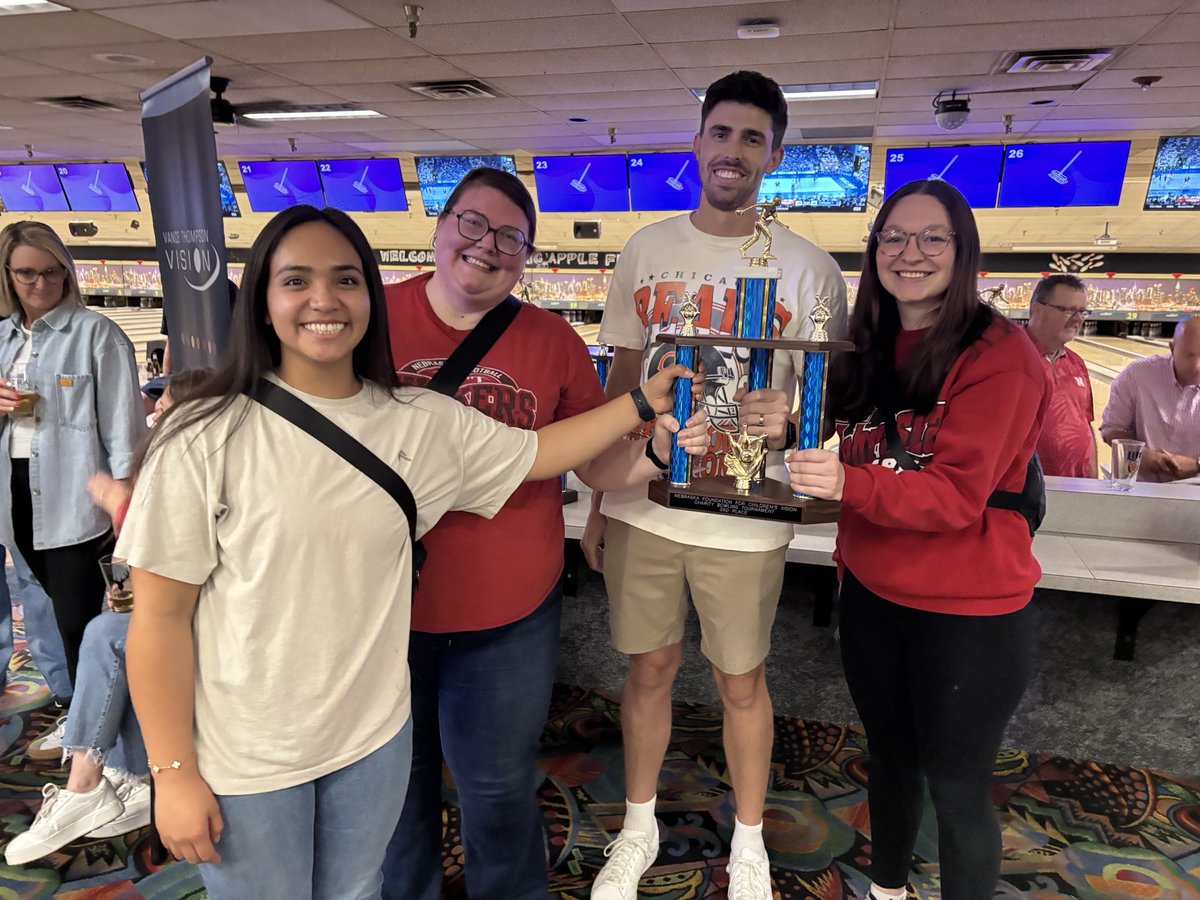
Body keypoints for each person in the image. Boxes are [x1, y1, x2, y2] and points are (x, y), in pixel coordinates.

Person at [114, 205, 696, 900]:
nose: (324, 300)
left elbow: (541, 452)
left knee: (359, 890)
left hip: (371, 740)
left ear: (370, 298)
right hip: (250, 752)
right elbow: (156, 619)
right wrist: (173, 771)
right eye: (296, 280)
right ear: (263, 303)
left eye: (346, 280)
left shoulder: (417, 422)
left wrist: (640, 400)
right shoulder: (204, 434)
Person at [381, 168, 705, 900]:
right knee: (397, 789)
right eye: (472, 223)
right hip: (382, 606)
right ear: (439, 226)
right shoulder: (371, 316)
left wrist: (657, 451)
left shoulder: (553, 339)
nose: (486, 246)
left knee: (495, 789)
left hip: (507, 615)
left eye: (510, 238)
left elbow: (596, 461)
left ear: (526, 256)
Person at [584, 70, 848, 900]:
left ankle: (749, 840)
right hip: (646, 506)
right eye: (721, 133)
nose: (732, 152)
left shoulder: (810, 271)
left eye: (752, 139)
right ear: (698, 141)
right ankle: (637, 828)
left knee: (742, 681)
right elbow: (620, 394)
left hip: (746, 515)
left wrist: (790, 415)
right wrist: (598, 501)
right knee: (650, 671)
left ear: (774, 154)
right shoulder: (645, 250)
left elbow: (823, 407)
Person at [787, 179, 1050, 899]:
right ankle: (887, 891)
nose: (911, 253)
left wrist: (845, 483)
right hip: (874, 596)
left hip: (971, 614)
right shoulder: (866, 342)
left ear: (962, 251)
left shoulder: (1002, 355)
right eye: (894, 237)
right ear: (874, 251)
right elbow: (837, 436)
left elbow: (957, 497)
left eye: (933, 237)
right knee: (890, 761)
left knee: (959, 789)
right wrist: (779, 422)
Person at [3, 368, 211, 866]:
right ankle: (120, 772)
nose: (154, 414)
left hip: (222, 620)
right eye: (157, 405)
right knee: (117, 635)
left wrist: (121, 508)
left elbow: (180, 548)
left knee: (106, 634)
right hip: (184, 610)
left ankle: (89, 782)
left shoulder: (205, 464)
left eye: (166, 408)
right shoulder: (169, 461)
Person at [0, 221, 145, 688]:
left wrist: (126, 496)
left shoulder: (97, 333)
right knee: (45, 603)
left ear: (66, 272)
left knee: (79, 620)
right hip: (15, 492)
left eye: (51, 271)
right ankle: (75, 708)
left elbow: (124, 423)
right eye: (26, 274)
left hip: (76, 496)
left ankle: (97, 731)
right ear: (8, 275)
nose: (40, 284)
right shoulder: (2, 338)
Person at [1100, 315, 1200, 482]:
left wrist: (1197, 464)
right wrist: (1142, 454)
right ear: (1172, 348)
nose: (1197, 366)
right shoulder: (1136, 376)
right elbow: (1110, 430)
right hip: (1139, 488)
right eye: (1189, 356)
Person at [1024, 274, 1097, 477]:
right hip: (1026, 489)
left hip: (1077, 486)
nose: (1078, 318)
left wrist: (1093, 481)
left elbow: (1086, 425)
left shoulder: (1077, 363)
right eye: (1068, 310)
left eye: (1082, 311)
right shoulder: (1013, 358)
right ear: (1038, 309)